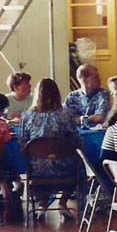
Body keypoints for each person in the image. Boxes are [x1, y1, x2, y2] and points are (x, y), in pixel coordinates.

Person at [18, 78, 82, 219]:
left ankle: (42, 204)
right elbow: (76, 141)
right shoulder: (66, 114)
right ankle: (63, 203)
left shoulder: (27, 116)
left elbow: (22, 143)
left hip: (37, 168)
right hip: (63, 167)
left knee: (40, 162)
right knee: (79, 166)